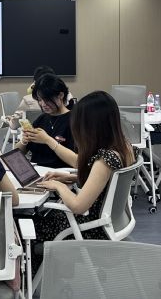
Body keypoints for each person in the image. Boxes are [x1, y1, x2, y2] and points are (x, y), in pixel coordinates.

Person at [32, 91, 136, 272]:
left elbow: (78, 206)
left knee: (30, 226)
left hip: (91, 230)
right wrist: (72, 178)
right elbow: (107, 183)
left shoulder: (104, 159)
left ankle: (38, 281)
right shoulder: (124, 147)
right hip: (108, 223)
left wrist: (58, 186)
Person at [13, 74, 76, 169]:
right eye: (39, 100)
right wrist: (24, 141)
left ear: (61, 95)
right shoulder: (41, 119)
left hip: (60, 173)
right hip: (37, 171)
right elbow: (15, 155)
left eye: (47, 99)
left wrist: (47, 140)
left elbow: (76, 162)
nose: (43, 104)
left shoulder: (74, 120)